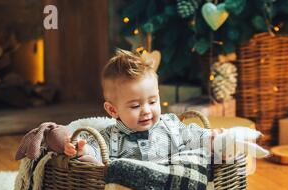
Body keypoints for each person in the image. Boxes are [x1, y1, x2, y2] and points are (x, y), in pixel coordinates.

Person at [64, 49, 224, 163]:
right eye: (135, 106)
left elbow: (192, 136)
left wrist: (212, 138)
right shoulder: (109, 137)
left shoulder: (170, 126)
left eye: (153, 101)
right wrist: (82, 150)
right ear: (113, 110)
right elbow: (95, 152)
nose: (146, 111)